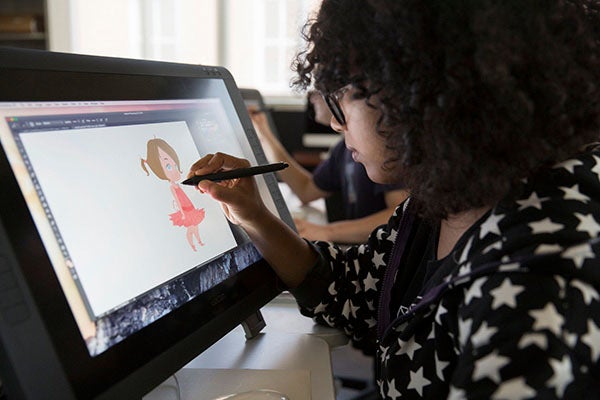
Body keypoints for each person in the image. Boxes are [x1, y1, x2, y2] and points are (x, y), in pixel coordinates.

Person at [189, 0, 600, 398]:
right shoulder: (449, 193)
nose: (334, 121)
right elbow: (349, 291)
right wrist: (253, 213)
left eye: (342, 94)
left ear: (420, 89)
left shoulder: (540, 271)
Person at [249, 90, 409, 244]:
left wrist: (327, 231)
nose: (311, 97)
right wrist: (264, 134)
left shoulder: (381, 151)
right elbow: (306, 190)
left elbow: (401, 215)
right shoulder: (343, 150)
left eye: (318, 89)